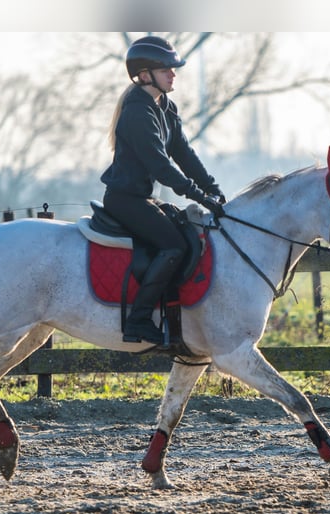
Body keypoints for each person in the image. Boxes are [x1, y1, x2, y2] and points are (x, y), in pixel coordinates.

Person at [101, 35, 226, 346]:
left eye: (174, 69)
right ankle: (139, 320)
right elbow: (161, 167)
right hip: (125, 200)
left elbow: (183, 154)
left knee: (186, 234)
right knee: (174, 245)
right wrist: (198, 196)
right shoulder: (137, 113)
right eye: (167, 69)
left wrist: (213, 188)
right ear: (145, 75)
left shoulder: (165, 106)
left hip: (141, 197)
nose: (173, 74)